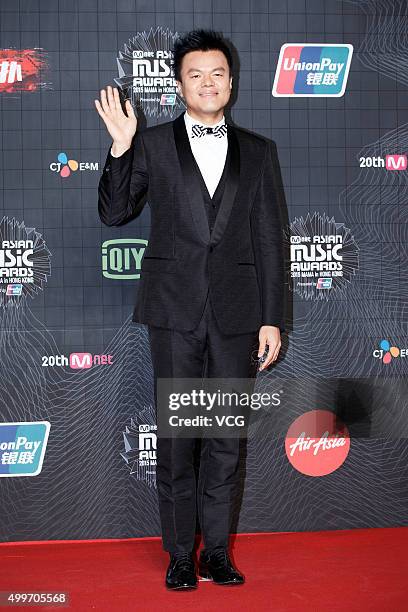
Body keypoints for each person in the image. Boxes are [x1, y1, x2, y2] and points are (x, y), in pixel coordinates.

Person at [95, 29, 285, 591]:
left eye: (218, 73)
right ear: (179, 84)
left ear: (232, 82)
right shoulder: (151, 143)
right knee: (179, 437)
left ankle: (217, 554)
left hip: (238, 315)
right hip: (174, 313)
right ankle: (180, 554)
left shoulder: (258, 150)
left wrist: (271, 316)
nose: (208, 82)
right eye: (196, 74)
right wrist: (122, 148)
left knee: (224, 439)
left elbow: (271, 239)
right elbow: (114, 214)